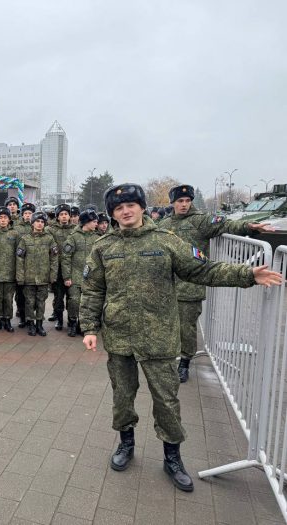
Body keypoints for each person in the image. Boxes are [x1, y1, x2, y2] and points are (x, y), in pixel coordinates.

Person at [79, 183, 283, 492]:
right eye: (119, 208)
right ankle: (126, 444)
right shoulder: (103, 246)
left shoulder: (167, 241)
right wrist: (90, 328)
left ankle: (172, 458)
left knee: (167, 400)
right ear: (113, 214)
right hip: (120, 336)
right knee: (122, 396)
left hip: (159, 337)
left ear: (142, 207)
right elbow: (93, 289)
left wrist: (246, 275)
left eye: (131, 205)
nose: (126, 211)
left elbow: (203, 270)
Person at [157, 184, 275, 382]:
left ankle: (185, 362)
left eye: (187, 201)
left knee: (186, 327)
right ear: (173, 203)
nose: (184, 205)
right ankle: (166, 357)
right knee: (167, 324)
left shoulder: (201, 221)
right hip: (167, 284)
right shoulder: (165, 224)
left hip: (190, 284)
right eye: (180, 201)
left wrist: (248, 227)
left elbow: (225, 224)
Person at [17, 211, 58, 336]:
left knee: (41, 301)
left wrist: (53, 274)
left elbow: (54, 258)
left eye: (42, 222)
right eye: (37, 221)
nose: (40, 224)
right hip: (29, 277)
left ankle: (39, 324)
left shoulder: (49, 238)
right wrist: (20, 275)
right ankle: (31, 324)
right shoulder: (25, 238)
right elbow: (20, 258)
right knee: (29, 302)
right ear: (32, 223)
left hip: (43, 277)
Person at [61, 209, 99, 337]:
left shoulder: (97, 238)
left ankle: (82, 325)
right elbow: (66, 257)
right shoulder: (73, 237)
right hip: (75, 276)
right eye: (94, 222)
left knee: (88, 303)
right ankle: (72, 323)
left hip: (91, 278)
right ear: (86, 223)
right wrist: (67, 276)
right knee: (74, 301)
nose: (96, 224)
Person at [46, 204, 75, 329]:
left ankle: (71, 320)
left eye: (66, 214)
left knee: (72, 297)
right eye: (61, 214)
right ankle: (59, 319)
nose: (64, 216)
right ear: (57, 217)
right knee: (58, 298)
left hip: (72, 269)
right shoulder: (50, 230)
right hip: (57, 268)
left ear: (69, 216)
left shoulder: (75, 230)